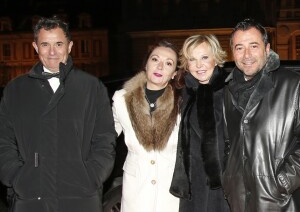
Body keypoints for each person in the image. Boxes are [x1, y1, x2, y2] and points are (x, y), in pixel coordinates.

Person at [0, 16, 116, 212]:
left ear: (69, 46)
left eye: (58, 44)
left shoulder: (91, 87)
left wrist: (91, 176)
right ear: (35, 47)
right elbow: (4, 140)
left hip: (80, 197)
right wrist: (17, 177)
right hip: (30, 198)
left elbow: (105, 139)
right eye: (45, 44)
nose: (52, 51)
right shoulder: (15, 90)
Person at [222, 18, 300, 212]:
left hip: (277, 202)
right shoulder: (227, 90)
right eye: (239, 47)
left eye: (253, 46)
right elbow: (227, 144)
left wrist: (283, 181)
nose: (246, 54)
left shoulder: (293, 85)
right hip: (238, 201)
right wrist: (228, 179)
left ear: (267, 49)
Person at [112, 40, 182, 212]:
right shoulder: (122, 99)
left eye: (168, 63)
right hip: (135, 193)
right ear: (146, 64)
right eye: (155, 59)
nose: (160, 67)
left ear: (174, 73)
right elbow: (104, 138)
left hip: (170, 196)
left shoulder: (182, 103)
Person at [170, 35, 230, 211]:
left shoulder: (231, 91)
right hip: (193, 185)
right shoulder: (183, 93)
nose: (199, 65)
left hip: (224, 185)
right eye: (192, 59)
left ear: (216, 59)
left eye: (204, 57)